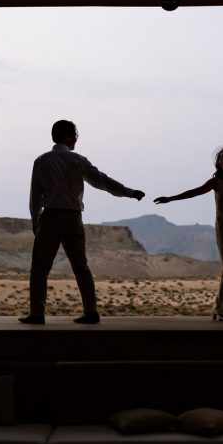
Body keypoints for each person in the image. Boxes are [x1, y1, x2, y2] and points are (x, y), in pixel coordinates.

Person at [22, 120, 145, 325]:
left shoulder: (41, 161)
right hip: (73, 218)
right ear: (68, 136)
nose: (77, 138)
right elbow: (103, 181)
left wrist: (36, 221)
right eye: (74, 135)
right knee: (81, 267)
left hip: (50, 218)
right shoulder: (78, 160)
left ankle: (37, 313)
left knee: (40, 269)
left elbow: (35, 196)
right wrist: (129, 193)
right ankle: (91, 310)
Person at [154, 145, 223, 322]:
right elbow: (194, 192)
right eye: (221, 158)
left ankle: (217, 308)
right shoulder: (217, 182)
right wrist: (171, 198)